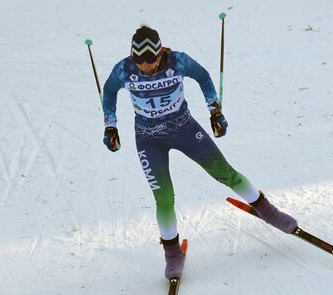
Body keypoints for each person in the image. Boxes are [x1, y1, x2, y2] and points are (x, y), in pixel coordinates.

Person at [102, 25, 297, 279]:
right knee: (164, 197)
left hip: (184, 129)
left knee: (226, 174)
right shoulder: (124, 69)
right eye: (139, 60)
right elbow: (108, 92)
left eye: (149, 60)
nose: (144, 66)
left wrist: (214, 110)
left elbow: (203, 77)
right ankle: (172, 253)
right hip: (149, 139)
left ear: (159, 54)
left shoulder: (178, 61)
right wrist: (110, 125)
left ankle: (268, 212)